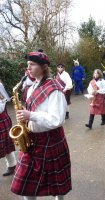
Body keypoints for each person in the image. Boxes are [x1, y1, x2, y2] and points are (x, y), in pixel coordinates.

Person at [11, 51, 71, 200]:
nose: (28, 68)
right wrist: (24, 117)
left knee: (57, 185)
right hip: (32, 142)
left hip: (51, 141)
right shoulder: (31, 88)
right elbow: (34, 111)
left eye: (32, 64)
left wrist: (30, 115)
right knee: (24, 186)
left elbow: (57, 119)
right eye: (27, 65)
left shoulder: (55, 89)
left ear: (44, 67)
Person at [0, 80, 17, 176]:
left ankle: (12, 165)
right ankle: (12, 165)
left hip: (2, 121)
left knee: (6, 144)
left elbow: (1, 108)